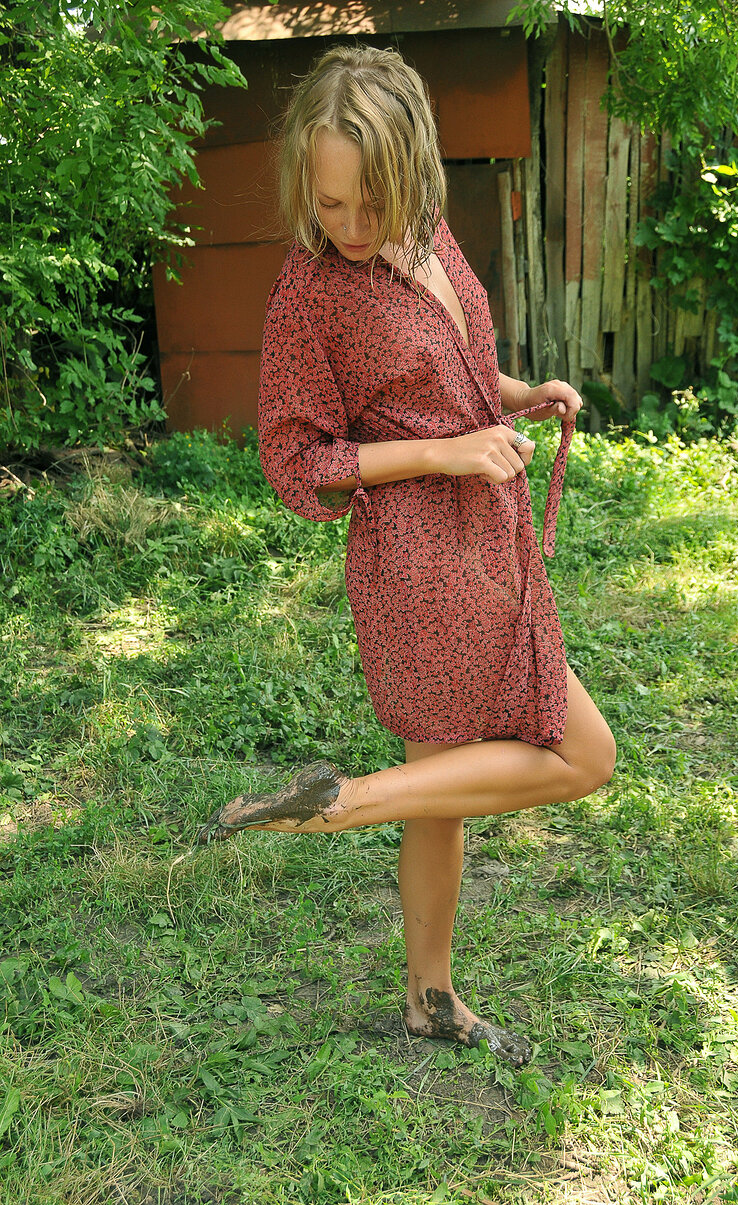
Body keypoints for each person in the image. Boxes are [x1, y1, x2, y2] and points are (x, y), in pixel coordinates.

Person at [198, 44, 616, 1067]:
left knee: (443, 790)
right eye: (328, 202)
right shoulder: (311, 290)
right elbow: (297, 458)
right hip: (419, 564)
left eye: (368, 201)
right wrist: (445, 452)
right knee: (584, 755)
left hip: (488, 542)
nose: (348, 225)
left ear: (413, 168)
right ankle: (346, 803)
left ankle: (430, 996)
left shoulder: (429, 232)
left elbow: (450, 367)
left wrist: (515, 395)